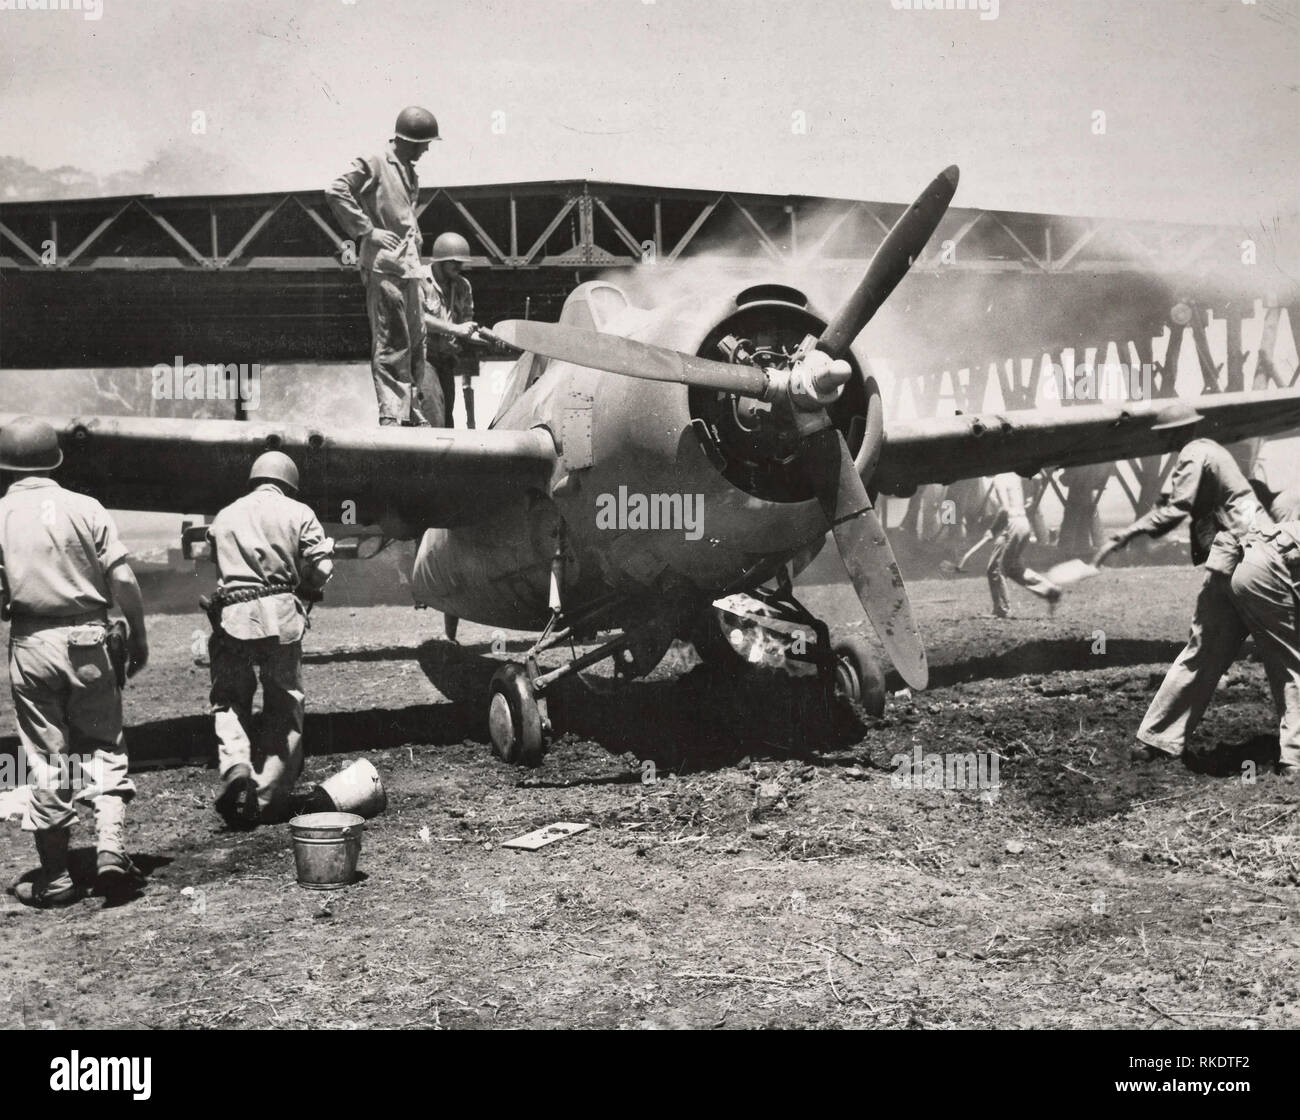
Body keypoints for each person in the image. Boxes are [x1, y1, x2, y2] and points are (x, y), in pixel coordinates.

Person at [0, 417, 149, 907]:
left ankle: (58, 877)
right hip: (91, 639)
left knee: (46, 759)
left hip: (31, 641)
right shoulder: (86, 507)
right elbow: (124, 580)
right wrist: (139, 634)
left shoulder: (0, 513)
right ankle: (109, 850)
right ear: (55, 460)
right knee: (103, 744)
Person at [1093, 421, 1273, 764]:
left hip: (1247, 557)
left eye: (1163, 433)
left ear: (1174, 433)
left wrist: (1125, 535)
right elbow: (1172, 501)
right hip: (1246, 555)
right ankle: (1159, 739)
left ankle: (1158, 740)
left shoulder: (1194, 451)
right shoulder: (1210, 454)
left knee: (1207, 649)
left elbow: (1174, 509)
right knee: (1220, 647)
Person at [206, 452, 334, 827]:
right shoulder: (299, 513)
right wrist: (308, 582)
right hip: (281, 617)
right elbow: (322, 568)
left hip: (231, 617)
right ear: (289, 483)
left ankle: (236, 769)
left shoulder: (225, 515)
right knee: (283, 703)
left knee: (229, 699)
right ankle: (264, 798)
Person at [326, 106, 441, 426]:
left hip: (409, 268)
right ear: (410, 140)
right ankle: (392, 414)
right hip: (385, 267)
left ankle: (411, 410)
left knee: (417, 341)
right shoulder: (375, 162)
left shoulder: (409, 171)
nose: (427, 149)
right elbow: (336, 190)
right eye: (424, 143)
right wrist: (367, 230)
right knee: (392, 343)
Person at [1227, 520, 1300, 775]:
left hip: (1238, 563)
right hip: (1266, 567)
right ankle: (1295, 758)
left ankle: (1157, 739)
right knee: (1294, 665)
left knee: (1205, 651)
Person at [954, 473, 1061, 617]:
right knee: (1013, 567)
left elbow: (1005, 509)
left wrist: (993, 529)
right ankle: (1050, 590)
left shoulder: (999, 479)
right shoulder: (1014, 476)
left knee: (996, 569)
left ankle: (1002, 609)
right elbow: (1034, 484)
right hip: (1023, 523)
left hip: (1011, 525)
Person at [421, 231, 480, 428]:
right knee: (433, 417)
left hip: (446, 361)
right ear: (440, 261)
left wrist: (492, 339)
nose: (459, 266)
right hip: (423, 359)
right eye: (454, 261)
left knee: (447, 422)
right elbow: (418, 318)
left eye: (461, 262)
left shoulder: (463, 286)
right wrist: (456, 329)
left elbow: (466, 325)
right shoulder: (419, 279)